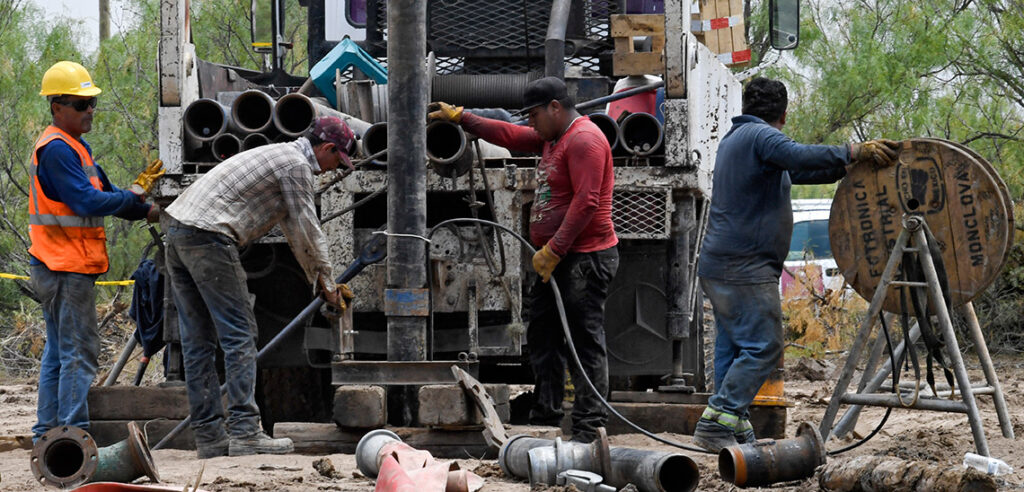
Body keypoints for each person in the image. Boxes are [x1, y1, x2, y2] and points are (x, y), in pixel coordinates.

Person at [693, 77, 898, 452]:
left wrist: (847, 166)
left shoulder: (737, 141)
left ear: (745, 106)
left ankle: (731, 425)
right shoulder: (762, 138)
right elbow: (799, 156)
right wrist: (853, 150)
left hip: (720, 264)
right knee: (764, 347)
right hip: (745, 268)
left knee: (734, 347)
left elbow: (800, 170)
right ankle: (716, 420)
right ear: (784, 115)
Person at [430, 77, 619, 443]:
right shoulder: (554, 137)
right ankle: (546, 416)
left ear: (555, 107)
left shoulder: (584, 139)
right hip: (559, 260)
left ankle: (589, 427)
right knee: (543, 336)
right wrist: (463, 117)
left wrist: (555, 249)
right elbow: (511, 136)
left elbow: (587, 202)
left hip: (584, 259)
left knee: (584, 340)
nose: (530, 122)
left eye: (533, 114)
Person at [163, 116, 356, 458]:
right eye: (336, 161)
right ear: (326, 149)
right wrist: (329, 285)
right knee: (240, 334)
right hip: (209, 236)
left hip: (178, 232)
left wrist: (320, 280)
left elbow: (293, 230)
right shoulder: (296, 166)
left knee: (198, 342)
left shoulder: (278, 156)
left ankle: (209, 438)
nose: (332, 170)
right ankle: (245, 432)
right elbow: (307, 232)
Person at [30, 61, 164, 441]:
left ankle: (47, 435)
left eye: (91, 102)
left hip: (60, 266)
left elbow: (110, 198)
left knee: (59, 353)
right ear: (57, 107)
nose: (89, 109)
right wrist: (135, 196)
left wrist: (148, 210)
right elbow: (89, 202)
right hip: (63, 268)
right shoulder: (56, 150)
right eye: (80, 103)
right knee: (78, 355)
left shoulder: (76, 148)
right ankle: (73, 436)